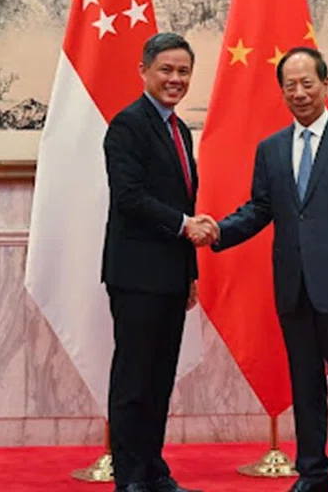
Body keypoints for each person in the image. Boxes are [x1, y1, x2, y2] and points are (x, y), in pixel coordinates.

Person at [209, 46, 328, 492]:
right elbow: (259, 209)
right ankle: (312, 473)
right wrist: (217, 231)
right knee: (305, 387)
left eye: (308, 83)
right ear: (282, 92)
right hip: (294, 288)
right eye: (290, 86)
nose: (300, 93)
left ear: (326, 85)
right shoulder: (271, 149)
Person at [101, 32, 216, 492]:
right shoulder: (127, 125)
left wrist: (190, 273)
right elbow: (128, 198)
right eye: (166, 70)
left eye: (183, 71)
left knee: (160, 379)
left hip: (170, 276)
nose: (175, 79)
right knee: (133, 381)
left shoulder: (179, 129)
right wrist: (186, 226)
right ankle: (129, 477)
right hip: (136, 276)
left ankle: (153, 469)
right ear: (144, 71)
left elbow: (180, 197)